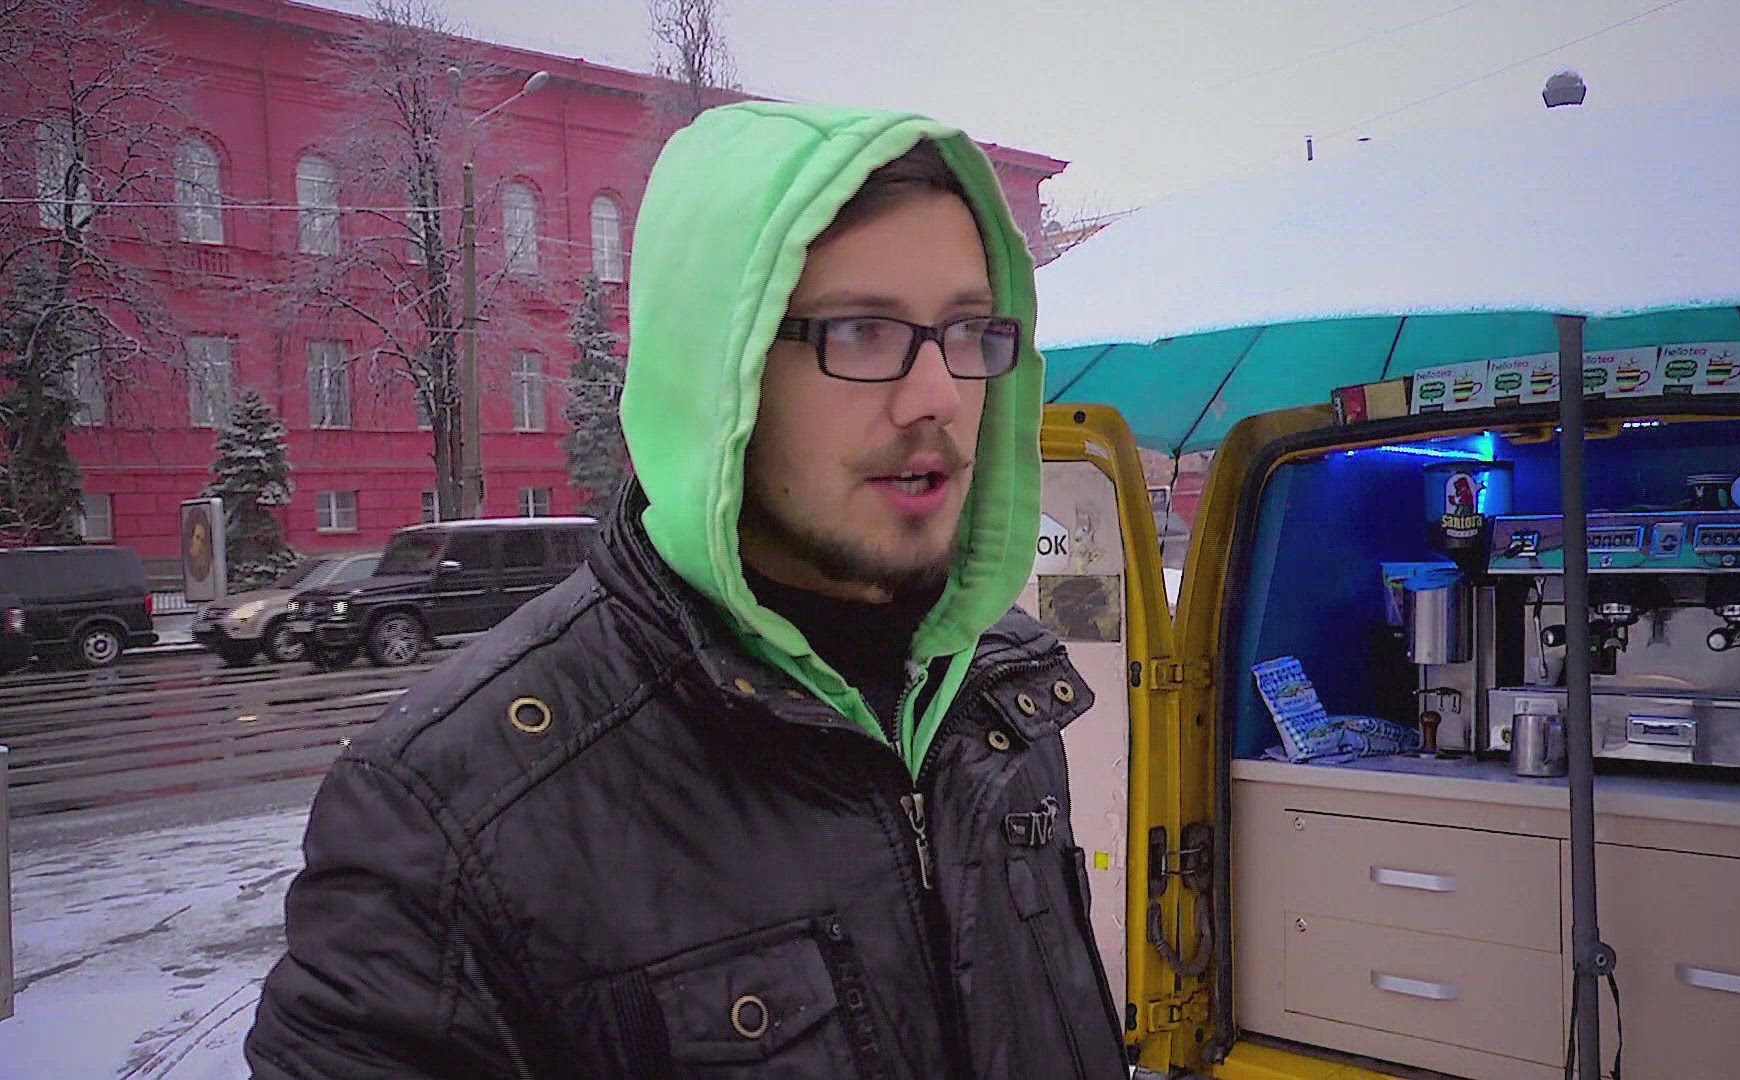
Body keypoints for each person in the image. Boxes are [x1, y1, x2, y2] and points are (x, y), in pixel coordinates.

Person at [245, 102, 1129, 1079]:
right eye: (862, 331)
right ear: (719, 373)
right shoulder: (453, 820)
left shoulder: (998, 697)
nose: (939, 396)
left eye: (968, 331)